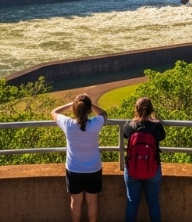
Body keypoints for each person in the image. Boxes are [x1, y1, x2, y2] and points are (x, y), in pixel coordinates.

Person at [51, 94, 108, 222]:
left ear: (74, 109)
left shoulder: (68, 124)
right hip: (93, 169)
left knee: (75, 203)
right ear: (88, 110)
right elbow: (104, 114)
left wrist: (72, 104)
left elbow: (54, 112)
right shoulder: (95, 123)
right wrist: (89, 104)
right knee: (92, 202)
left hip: (74, 169)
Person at [122, 97, 167, 222]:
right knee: (153, 203)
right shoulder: (156, 126)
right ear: (151, 109)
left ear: (136, 109)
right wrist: (154, 121)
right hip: (152, 169)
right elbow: (162, 136)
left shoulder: (129, 125)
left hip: (133, 169)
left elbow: (125, 135)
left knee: (132, 203)